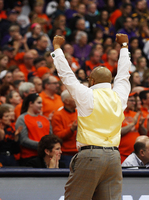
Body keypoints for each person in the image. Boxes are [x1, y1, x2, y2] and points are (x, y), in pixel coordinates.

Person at [51, 34, 130, 199]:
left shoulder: (86, 95)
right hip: (115, 157)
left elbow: (67, 76)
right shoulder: (120, 95)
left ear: (91, 81)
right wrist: (124, 46)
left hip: (91, 155)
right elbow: (123, 74)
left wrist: (57, 49)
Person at [15, 93, 52, 166]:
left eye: (41, 103)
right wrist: (42, 146)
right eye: (38, 103)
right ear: (30, 103)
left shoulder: (45, 119)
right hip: (29, 157)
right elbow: (23, 140)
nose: (41, 105)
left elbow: (51, 137)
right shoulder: (22, 118)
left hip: (46, 157)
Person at [51, 90, 78, 168]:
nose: (76, 99)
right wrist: (71, 129)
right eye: (73, 97)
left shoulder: (79, 113)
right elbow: (57, 136)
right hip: (66, 154)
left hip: (80, 152)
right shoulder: (58, 115)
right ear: (66, 101)